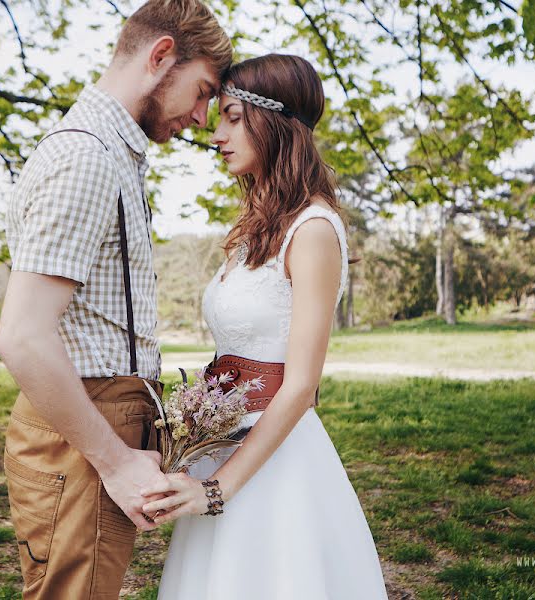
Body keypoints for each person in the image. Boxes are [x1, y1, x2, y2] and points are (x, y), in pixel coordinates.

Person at [0, 1, 231, 597]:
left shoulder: (110, 152)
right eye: (202, 92)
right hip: (85, 425)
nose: (203, 119)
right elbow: (22, 336)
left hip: (95, 416)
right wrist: (117, 461)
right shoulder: (88, 158)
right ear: (160, 58)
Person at [140, 54, 390, 599]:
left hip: (274, 461)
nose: (215, 133)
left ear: (272, 123)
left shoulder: (314, 229)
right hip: (219, 443)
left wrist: (217, 490)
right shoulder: (254, 231)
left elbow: (301, 384)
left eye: (231, 116)